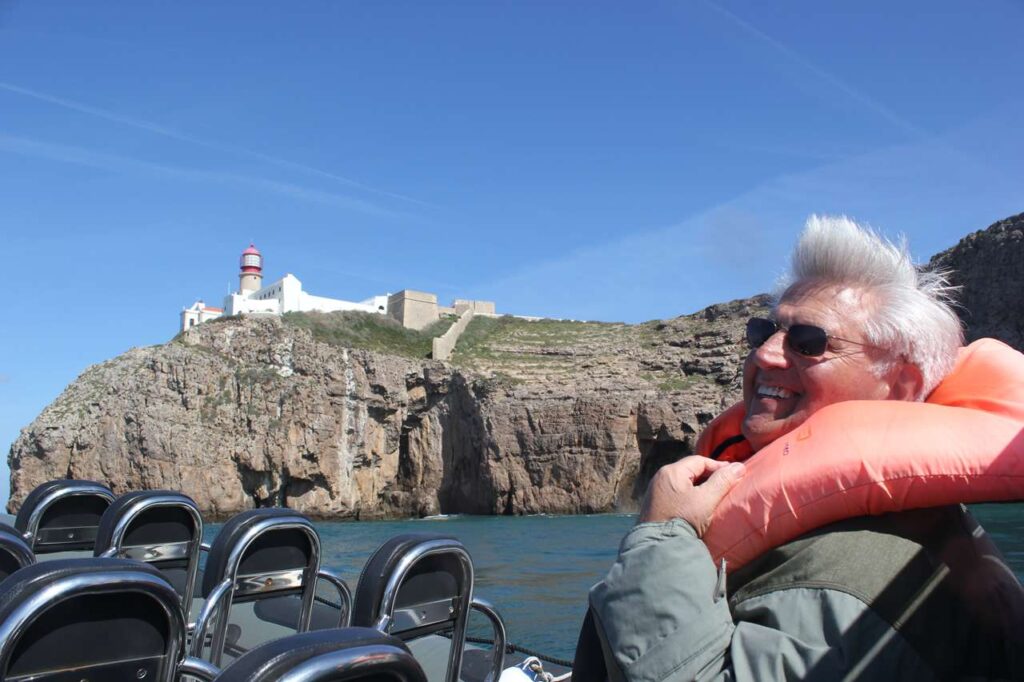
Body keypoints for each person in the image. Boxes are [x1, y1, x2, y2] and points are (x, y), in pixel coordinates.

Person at [586, 215, 1024, 680]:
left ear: (900, 385)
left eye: (808, 342)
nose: (765, 353)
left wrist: (661, 537)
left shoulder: (857, 569)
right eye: (763, 332)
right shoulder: (888, 530)